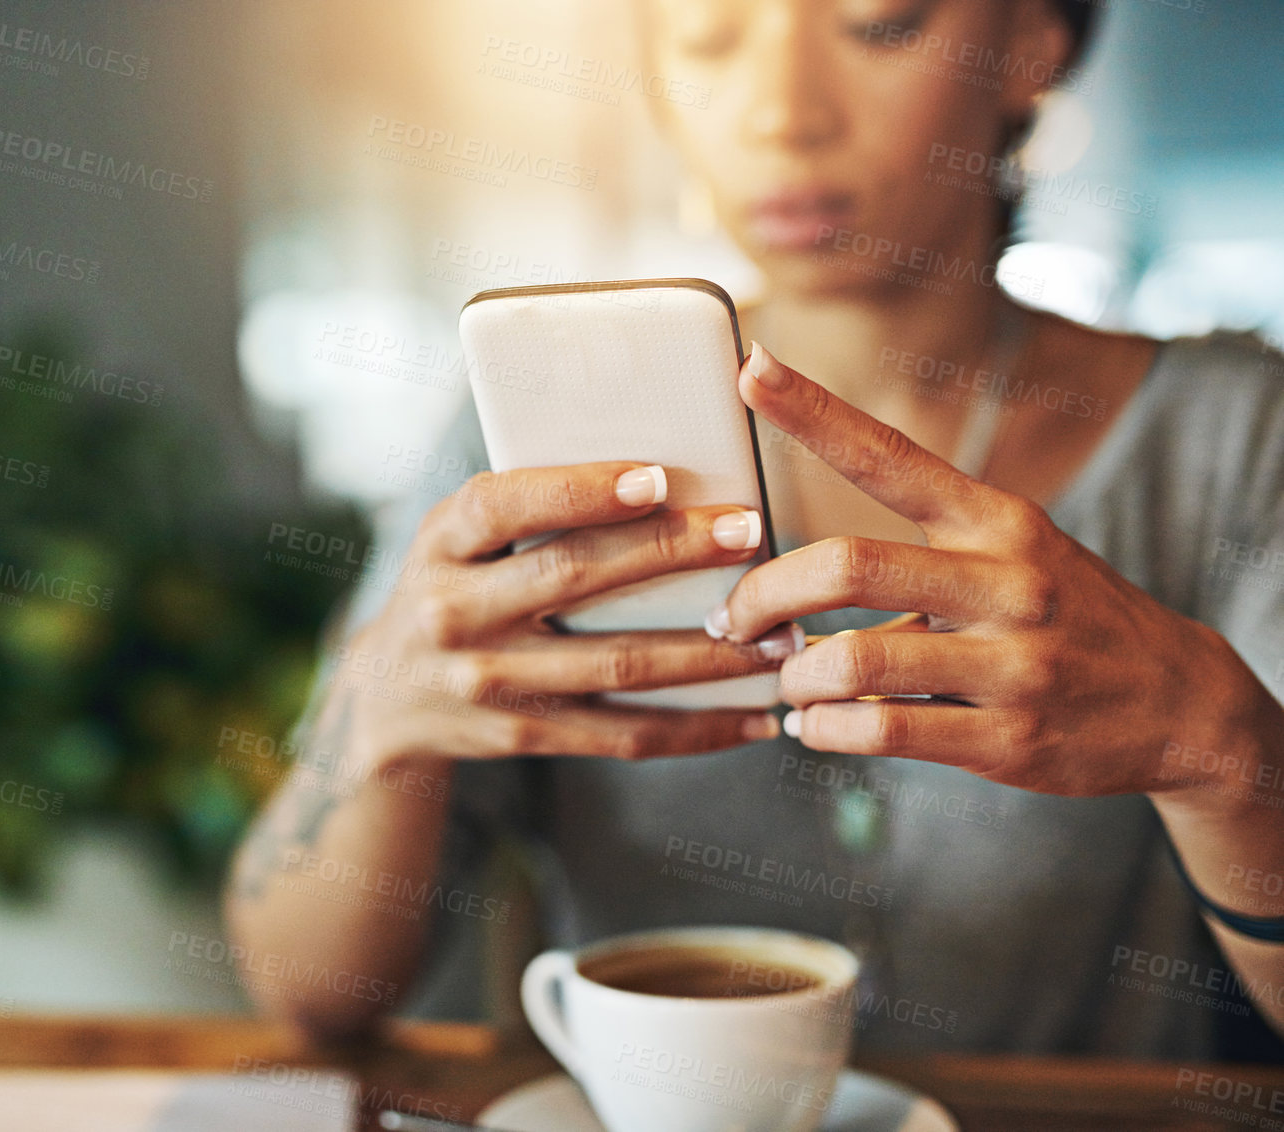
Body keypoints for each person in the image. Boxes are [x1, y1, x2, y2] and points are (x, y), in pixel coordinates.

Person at [226, 0, 1284, 1059]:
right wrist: (376, 729)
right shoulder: (531, 439)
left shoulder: (1232, 438)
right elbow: (310, 988)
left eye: (878, 24)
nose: (782, 113)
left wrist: (1225, 752)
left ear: (1025, 52)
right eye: (708, 36)